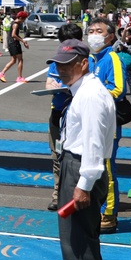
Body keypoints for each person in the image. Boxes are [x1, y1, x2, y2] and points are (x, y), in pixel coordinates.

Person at [50, 38, 116, 260]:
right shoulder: (85, 90)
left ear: (83, 63)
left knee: (78, 238)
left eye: (67, 64)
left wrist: (83, 184)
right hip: (77, 164)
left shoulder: (88, 95)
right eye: (57, 64)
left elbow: (92, 143)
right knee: (81, 236)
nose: (61, 69)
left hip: (81, 167)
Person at [86, 16, 127, 233]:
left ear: (110, 36)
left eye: (98, 31)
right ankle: (95, 207)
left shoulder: (112, 58)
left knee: (106, 169)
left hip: (106, 123)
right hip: (89, 120)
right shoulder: (91, 59)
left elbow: (118, 89)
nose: (93, 35)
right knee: (91, 165)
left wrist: (91, 96)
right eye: (90, 30)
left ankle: (109, 214)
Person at [45, 22, 84, 210]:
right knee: (57, 156)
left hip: (79, 115)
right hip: (58, 113)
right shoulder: (56, 61)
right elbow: (49, 83)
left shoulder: (88, 61)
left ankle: (81, 192)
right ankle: (57, 195)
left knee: (78, 157)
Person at [0, 11, 30, 83]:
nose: (24, 21)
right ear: (20, 18)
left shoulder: (13, 23)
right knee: (20, 60)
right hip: (14, 43)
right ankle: (19, 77)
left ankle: (1, 73)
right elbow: (13, 35)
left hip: (11, 43)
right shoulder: (16, 24)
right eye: (24, 19)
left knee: (13, 60)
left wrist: (22, 40)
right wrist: (22, 41)